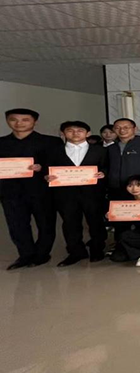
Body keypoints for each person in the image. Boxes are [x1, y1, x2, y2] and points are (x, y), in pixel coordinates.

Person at [0, 108, 62, 270]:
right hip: (10, 191)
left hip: (42, 191)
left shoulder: (51, 142)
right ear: (7, 121)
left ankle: (42, 254)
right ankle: (25, 255)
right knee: (16, 225)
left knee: (46, 224)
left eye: (25, 120)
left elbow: (59, 165)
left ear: (35, 122)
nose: (19, 123)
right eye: (13, 119)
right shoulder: (1, 143)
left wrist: (42, 168)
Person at [45, 121, 108, 266]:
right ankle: (75, 252)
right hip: (65, 193)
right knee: (70, 223)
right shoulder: (54, 151)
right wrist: (47, 176)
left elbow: (107, 167)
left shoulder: (100, 150)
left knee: (96, 221)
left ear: (88, 133)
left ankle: (97, 249)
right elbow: (47, 169)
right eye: (70, 130)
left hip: (93, 192)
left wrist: (103, 173)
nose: (75, 133)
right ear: (63, 133)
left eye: (80, 130)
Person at [107, 118, 140, 200]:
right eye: (117, 128)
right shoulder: (111, 148)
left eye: (126, 127)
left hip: (138, 188)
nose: (122, 130)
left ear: (135, 129)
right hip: (115, 188)